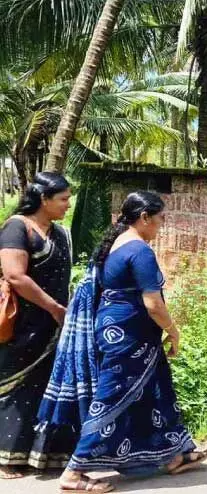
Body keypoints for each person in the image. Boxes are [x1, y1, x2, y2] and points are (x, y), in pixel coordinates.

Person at [58, 191, 207, 493]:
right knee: (112, 397)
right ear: (144, 217)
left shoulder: (115, 245)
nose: (161, 225)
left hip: (121, 330)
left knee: (156, 390)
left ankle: (174, 455)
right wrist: (174, 330)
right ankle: (73, 473)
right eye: (160, 219)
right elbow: (152, 302)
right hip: (129, 336)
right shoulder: (139, 250)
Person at [0, 172, 74, 479]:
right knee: (17, 387)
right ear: (43, 199)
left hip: (53, 323)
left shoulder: (59, 233)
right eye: (63, 199)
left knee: (47, 386)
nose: (68, 205)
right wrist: (54, 307)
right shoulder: (17, 228)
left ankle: (41, 453)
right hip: (23, 323)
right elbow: (16, 275)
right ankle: (6, 457)